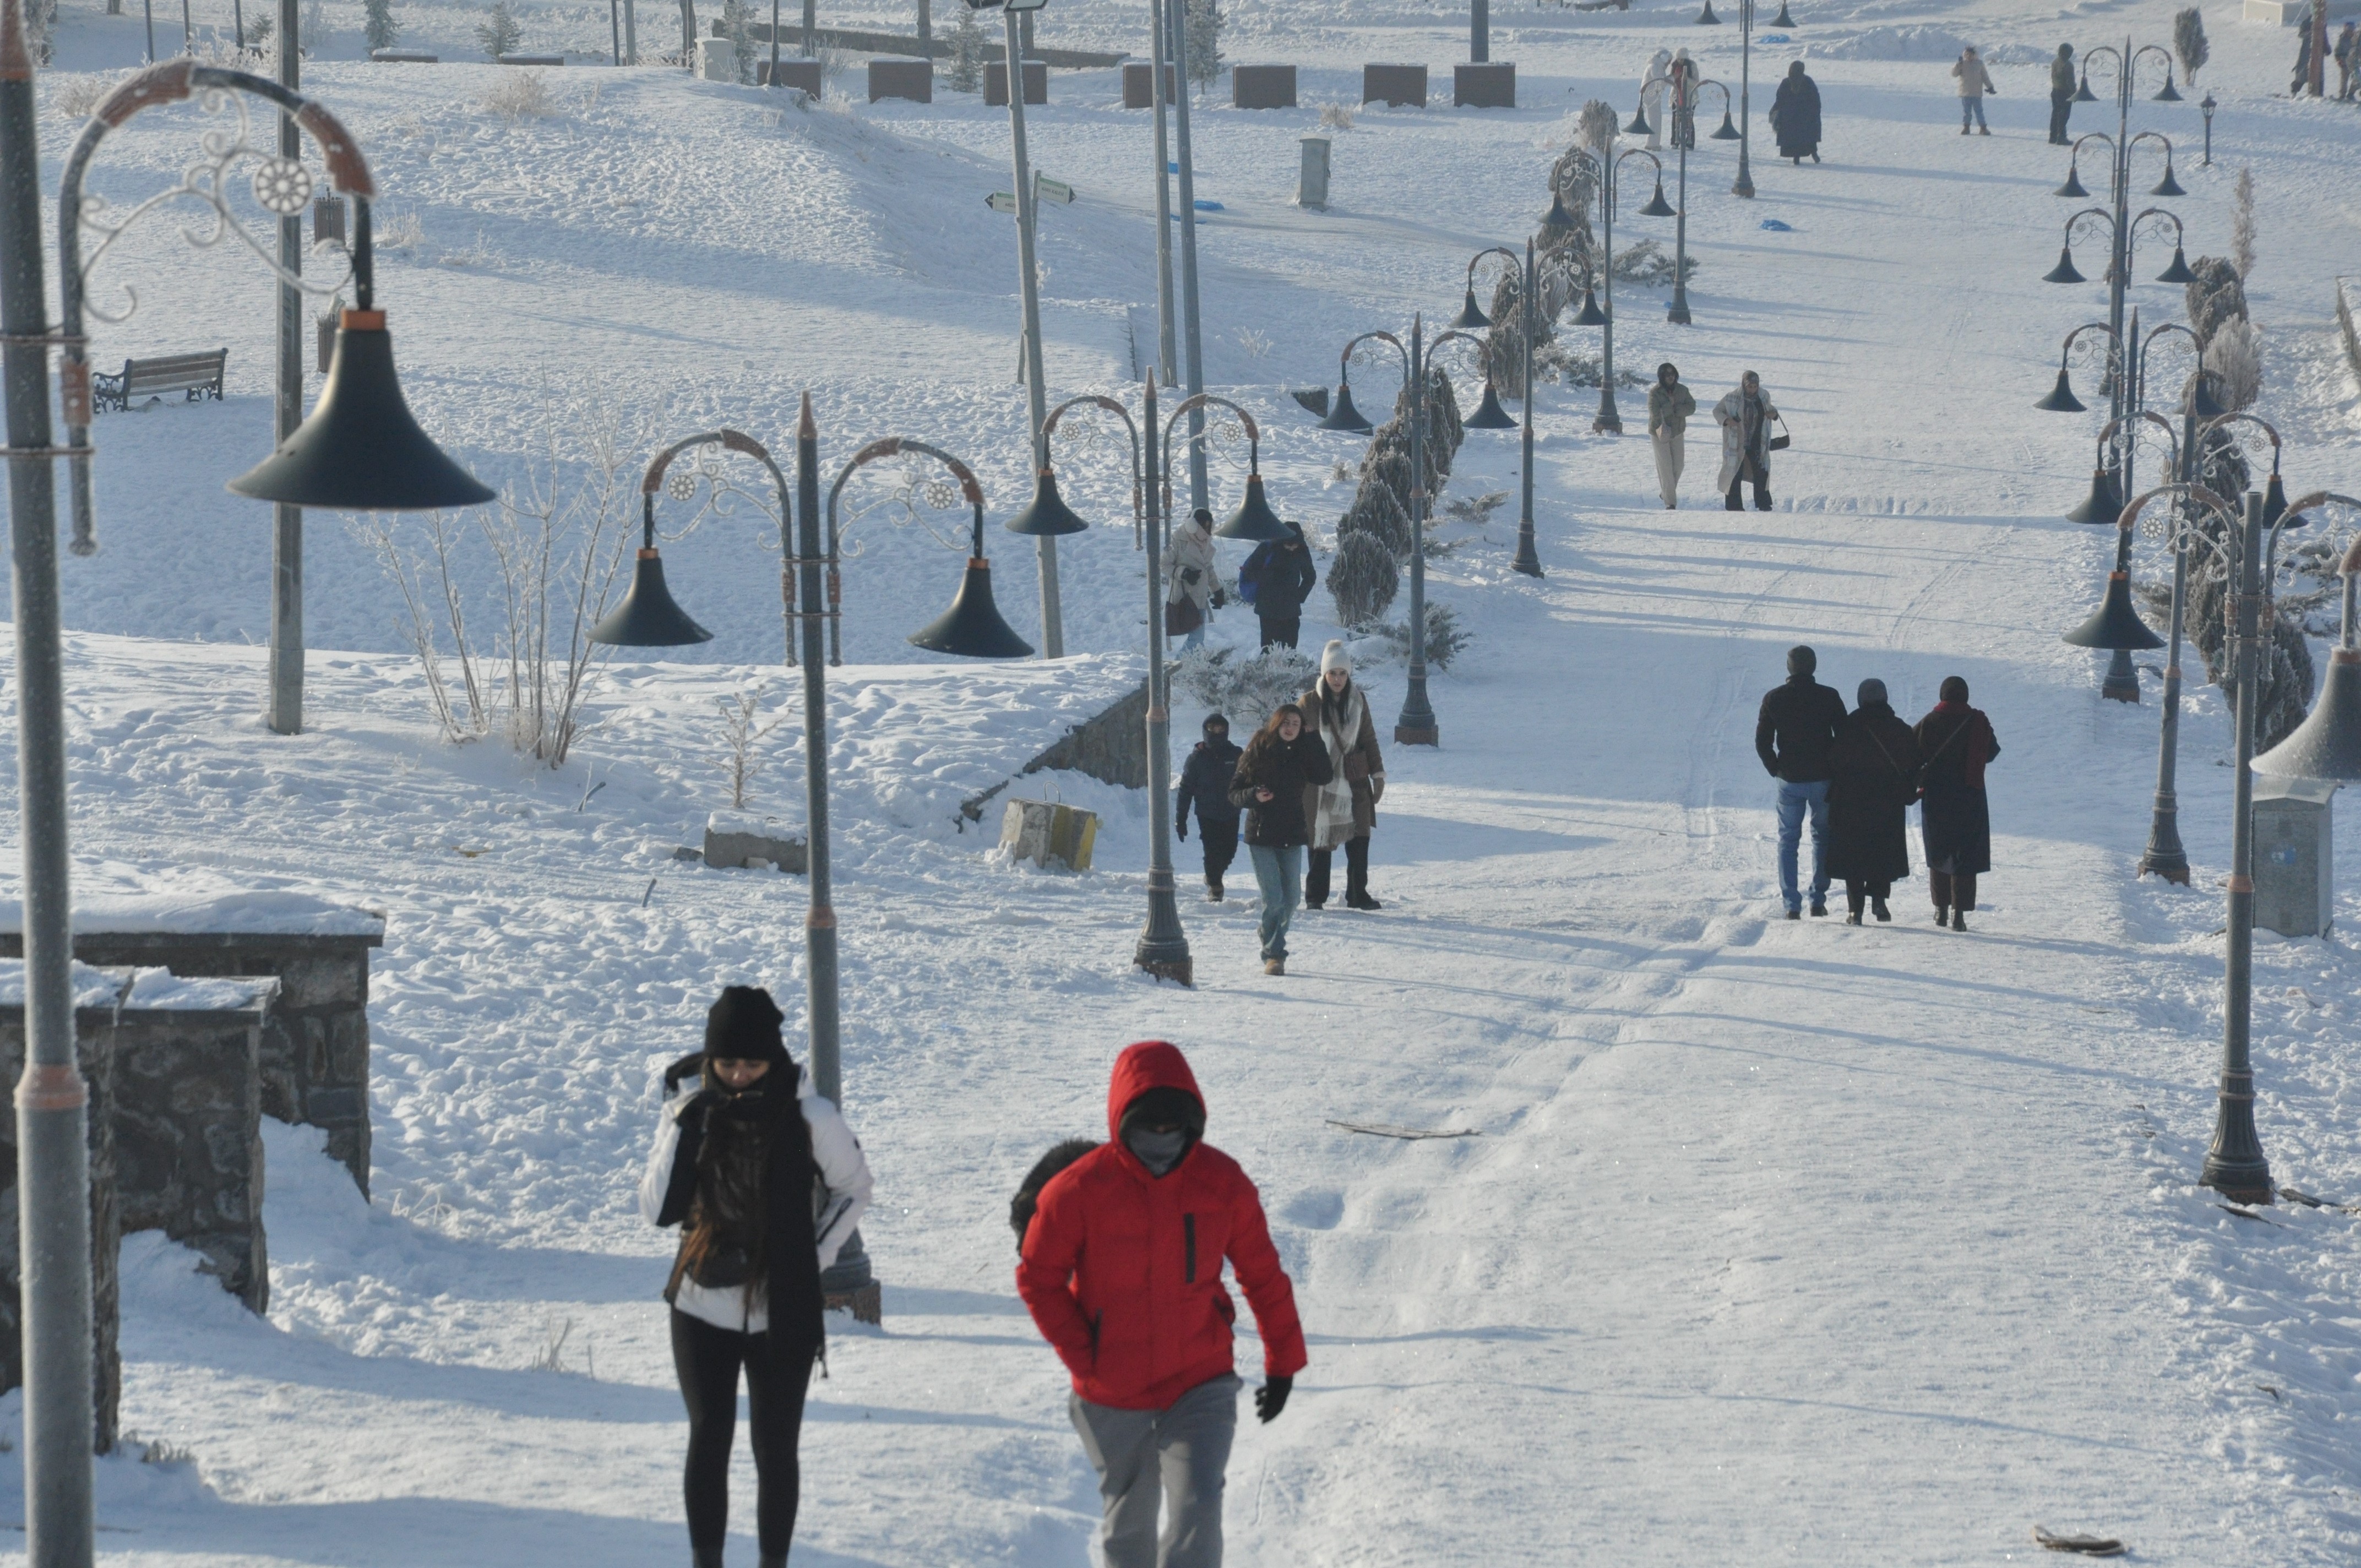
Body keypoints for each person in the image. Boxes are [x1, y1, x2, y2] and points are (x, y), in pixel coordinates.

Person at [1016, 1040, 1307, 1568]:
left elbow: (1262, 1275)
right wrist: (1087, 1355)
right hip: (1112, 1389)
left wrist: (1284, 1362)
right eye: (1150, 1130)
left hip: (1200, 1380)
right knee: (1129, 1521)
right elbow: (1039, 1278)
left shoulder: (1222, 1184)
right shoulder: (1077, 1191)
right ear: (1123, 1124)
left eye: (1175, 1131)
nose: (1163, 1142)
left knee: (1199, 1504)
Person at [640, 986, 875, 1568]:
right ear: (710, 1059)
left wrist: (808, 1258)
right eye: (727, 1063)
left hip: (782, 1306)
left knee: (775, 1449)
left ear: (774, 1058)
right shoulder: (688, 1110)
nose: (740, 1075)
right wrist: (684, 1127)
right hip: (699, 1302)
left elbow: (854, 1187)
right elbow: (655, 1209)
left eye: (753, 1063)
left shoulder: (808, 1115)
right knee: (709, 1435)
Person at [1227, 703, 1333, 974]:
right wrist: (1254, 796)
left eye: (1296, 725)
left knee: (1293, 899)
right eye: (1286, 723)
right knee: (1274, 899)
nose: (1290, 729)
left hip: (1293, 832)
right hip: (1261, 834)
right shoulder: (1259, 748)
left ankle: (1268, 931)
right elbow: (1234, 793)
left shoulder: (1303, 750)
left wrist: (1314, 739)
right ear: (1276, 724)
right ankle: (1274, 954)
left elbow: (1323, 775)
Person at [1756, 645, 1847, 919]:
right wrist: (1836, 769)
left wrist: (1776, 768)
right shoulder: (1829, 697)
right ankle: (1817, 900)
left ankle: (1791, 904)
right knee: (1822, 836)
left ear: (1789, 667)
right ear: (1814, 666)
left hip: (1790, 779)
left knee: (1788, 839)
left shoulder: (1774, 698)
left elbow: (1762, 742)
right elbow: (1844, 737)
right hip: (1823, 778)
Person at [1824, 679, 1922, 925]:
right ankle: (1879, 902)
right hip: (1888, 801)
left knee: (1854, 854)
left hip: (1851, 800)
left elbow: (1834, 761)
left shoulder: (1849, 726)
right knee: (1883, 851)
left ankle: (1854, 911)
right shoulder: (1900, 729)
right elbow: (1913, 762)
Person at [1299, 641, 1386, 912]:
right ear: (1324, 674)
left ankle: (1358, 893)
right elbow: (1294, 740)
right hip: (1320, 782)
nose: (1338, 679)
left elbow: (1368, 738)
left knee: (1360, 836)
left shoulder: (1358, 701)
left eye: (1343, 674)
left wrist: (1378, 774)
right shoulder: (1309, 703)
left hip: (1354, 779)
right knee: (1320, 837)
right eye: (1333, 673)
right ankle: (1315, 897)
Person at [1914, 675, 2001, 931]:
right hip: (1969, 797)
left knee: (1939, 853)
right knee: (1965, 857)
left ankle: (1940, 910)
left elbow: (1910, 751)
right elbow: (1992, 752)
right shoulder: (1978, 721)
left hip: (1937, 798)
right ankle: (1959, 916)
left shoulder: (1930, 722)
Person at [1174, 712, 1244, 902]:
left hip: (1231, 811)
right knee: (1212, 851)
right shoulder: (1196, 759)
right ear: (1206, 731)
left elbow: (1249, 778)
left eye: (1221, 729)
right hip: (1207, 813)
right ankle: (1215, 886)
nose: (1217, 732)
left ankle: (1213, 876)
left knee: (1229, 851)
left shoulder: (1236, 754)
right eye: (1213, 729)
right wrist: (1181, 818)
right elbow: (1186, 789)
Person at [1239, 522, 1316, 651]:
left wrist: (1299, 596)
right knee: (1268, 650)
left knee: (1290, 651)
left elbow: (1310, 577)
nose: (1292, 548)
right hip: (1267, 608)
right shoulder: (1267, 549)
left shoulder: (1302, 551)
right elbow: (1249, 572)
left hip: (1291, 609)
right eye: (1289, 544)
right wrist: (1267, 577)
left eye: (1295, 544)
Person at [1713, 371, 1779, 512]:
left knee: (1761, 472)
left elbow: (1771, 409)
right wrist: (1727, 420)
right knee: (1734, 473)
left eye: (1755, 386)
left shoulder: (1763, 396)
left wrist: (1773, 414)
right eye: (1750, 386)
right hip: (1737, 443)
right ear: (1744, 385)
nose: (1753, 390)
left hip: (1757, 441)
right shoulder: (1732, 398)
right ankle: (1734, 506)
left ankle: (1764, 504)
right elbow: (1717, 411)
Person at [1167, 507, 1216, 654]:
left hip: (1200, 598)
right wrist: (1184, 573)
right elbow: (1163, 565)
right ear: (1193, 526)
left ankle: (1191, 669)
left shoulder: (1206, 544)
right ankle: (1179, 670)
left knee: (1198, 639)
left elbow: (1208, 567)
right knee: (1197, 638)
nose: (1207, 533)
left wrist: (1217, 590)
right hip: (1184, 598)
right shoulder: (1177, 541)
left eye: (1209, 528)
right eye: (1204, 528)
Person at [1647, 362, 1695, 509]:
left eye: (1673, 374)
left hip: (1677, 432)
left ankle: (1666, 492)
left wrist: (1677, 409)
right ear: (1661, 377)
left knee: (1679, 466)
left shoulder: (1683, 390)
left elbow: (1691, 407)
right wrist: (1671, 406)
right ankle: (1671, 503)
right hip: (1659, 433)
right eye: (1667, 375)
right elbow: (1655, 413)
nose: (1670, 378)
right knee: (1666, 467)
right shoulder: (1655, 393)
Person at [1770, 60, 1821, 164]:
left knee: (1794, 136)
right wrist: (1815, 113)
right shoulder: (1808, 82)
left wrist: (1774, 113)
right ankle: (1814, 152)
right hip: (1806, 119)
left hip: (1788, 120)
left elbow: (1779, 100)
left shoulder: (1785, 83)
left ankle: (1796, 157)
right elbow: (1816, 101)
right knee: (1809, 131)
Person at [1951, 46, 1995, 135]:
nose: (1969, 56)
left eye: (1971, 55)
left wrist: (1990, 87)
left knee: (1979, 111)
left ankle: (1983, 128)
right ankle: (1966, 128)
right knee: (1967, 112)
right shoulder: (1962, 64)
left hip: (1976, 93)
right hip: (1965, 93)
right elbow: (1954, 74)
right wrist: (1958, 65)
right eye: (1967, 54)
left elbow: (1985, 77)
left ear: (1975, 55)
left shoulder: (1979, 64)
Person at [1640, 47, 1673, 149]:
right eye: (1668, 62)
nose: (1668, 64)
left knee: (1655, 120)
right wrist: (1673, 77)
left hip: (1652, 97)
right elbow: (1660, 82)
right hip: (1651, 97)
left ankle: (1653, 142)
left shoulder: (1655, 66)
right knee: (1655, 120)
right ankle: (1652, 144)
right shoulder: (1656, 67)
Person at [1669, 48, 1699, 150]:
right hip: (1676, 97)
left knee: (1688, 120)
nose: (1680, 62)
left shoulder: (1692, 66)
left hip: (1690, 98)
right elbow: (1669, 80)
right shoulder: (1674, 66)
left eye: (1682, 59)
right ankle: (1675, 141)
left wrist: (1685, 78)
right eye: (1678, 59)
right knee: (1675, 119)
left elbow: (1697, 83)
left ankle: (1690, 142)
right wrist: (1674, 77)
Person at [2049, 43, 2077, 145]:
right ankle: (2061, 137)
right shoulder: (2068, 65)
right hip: (2064, 93)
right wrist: (2074, 94)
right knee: (2064, 116)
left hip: (2055, 91)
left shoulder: (2055, 62)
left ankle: (2053, 136)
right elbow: (2070, 81)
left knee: (2055, 114)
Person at [2337, 20, 2358, 100]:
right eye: (2349, 30)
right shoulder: (2342, 39)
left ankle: (2351, 94)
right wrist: (2339, 60)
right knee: (2344, 80)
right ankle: (2342, 95)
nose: (2351, 32)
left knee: (2357, 79)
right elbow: (2337, 51)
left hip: (2354, 63)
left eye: (2352, 30)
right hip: (2345, 62)